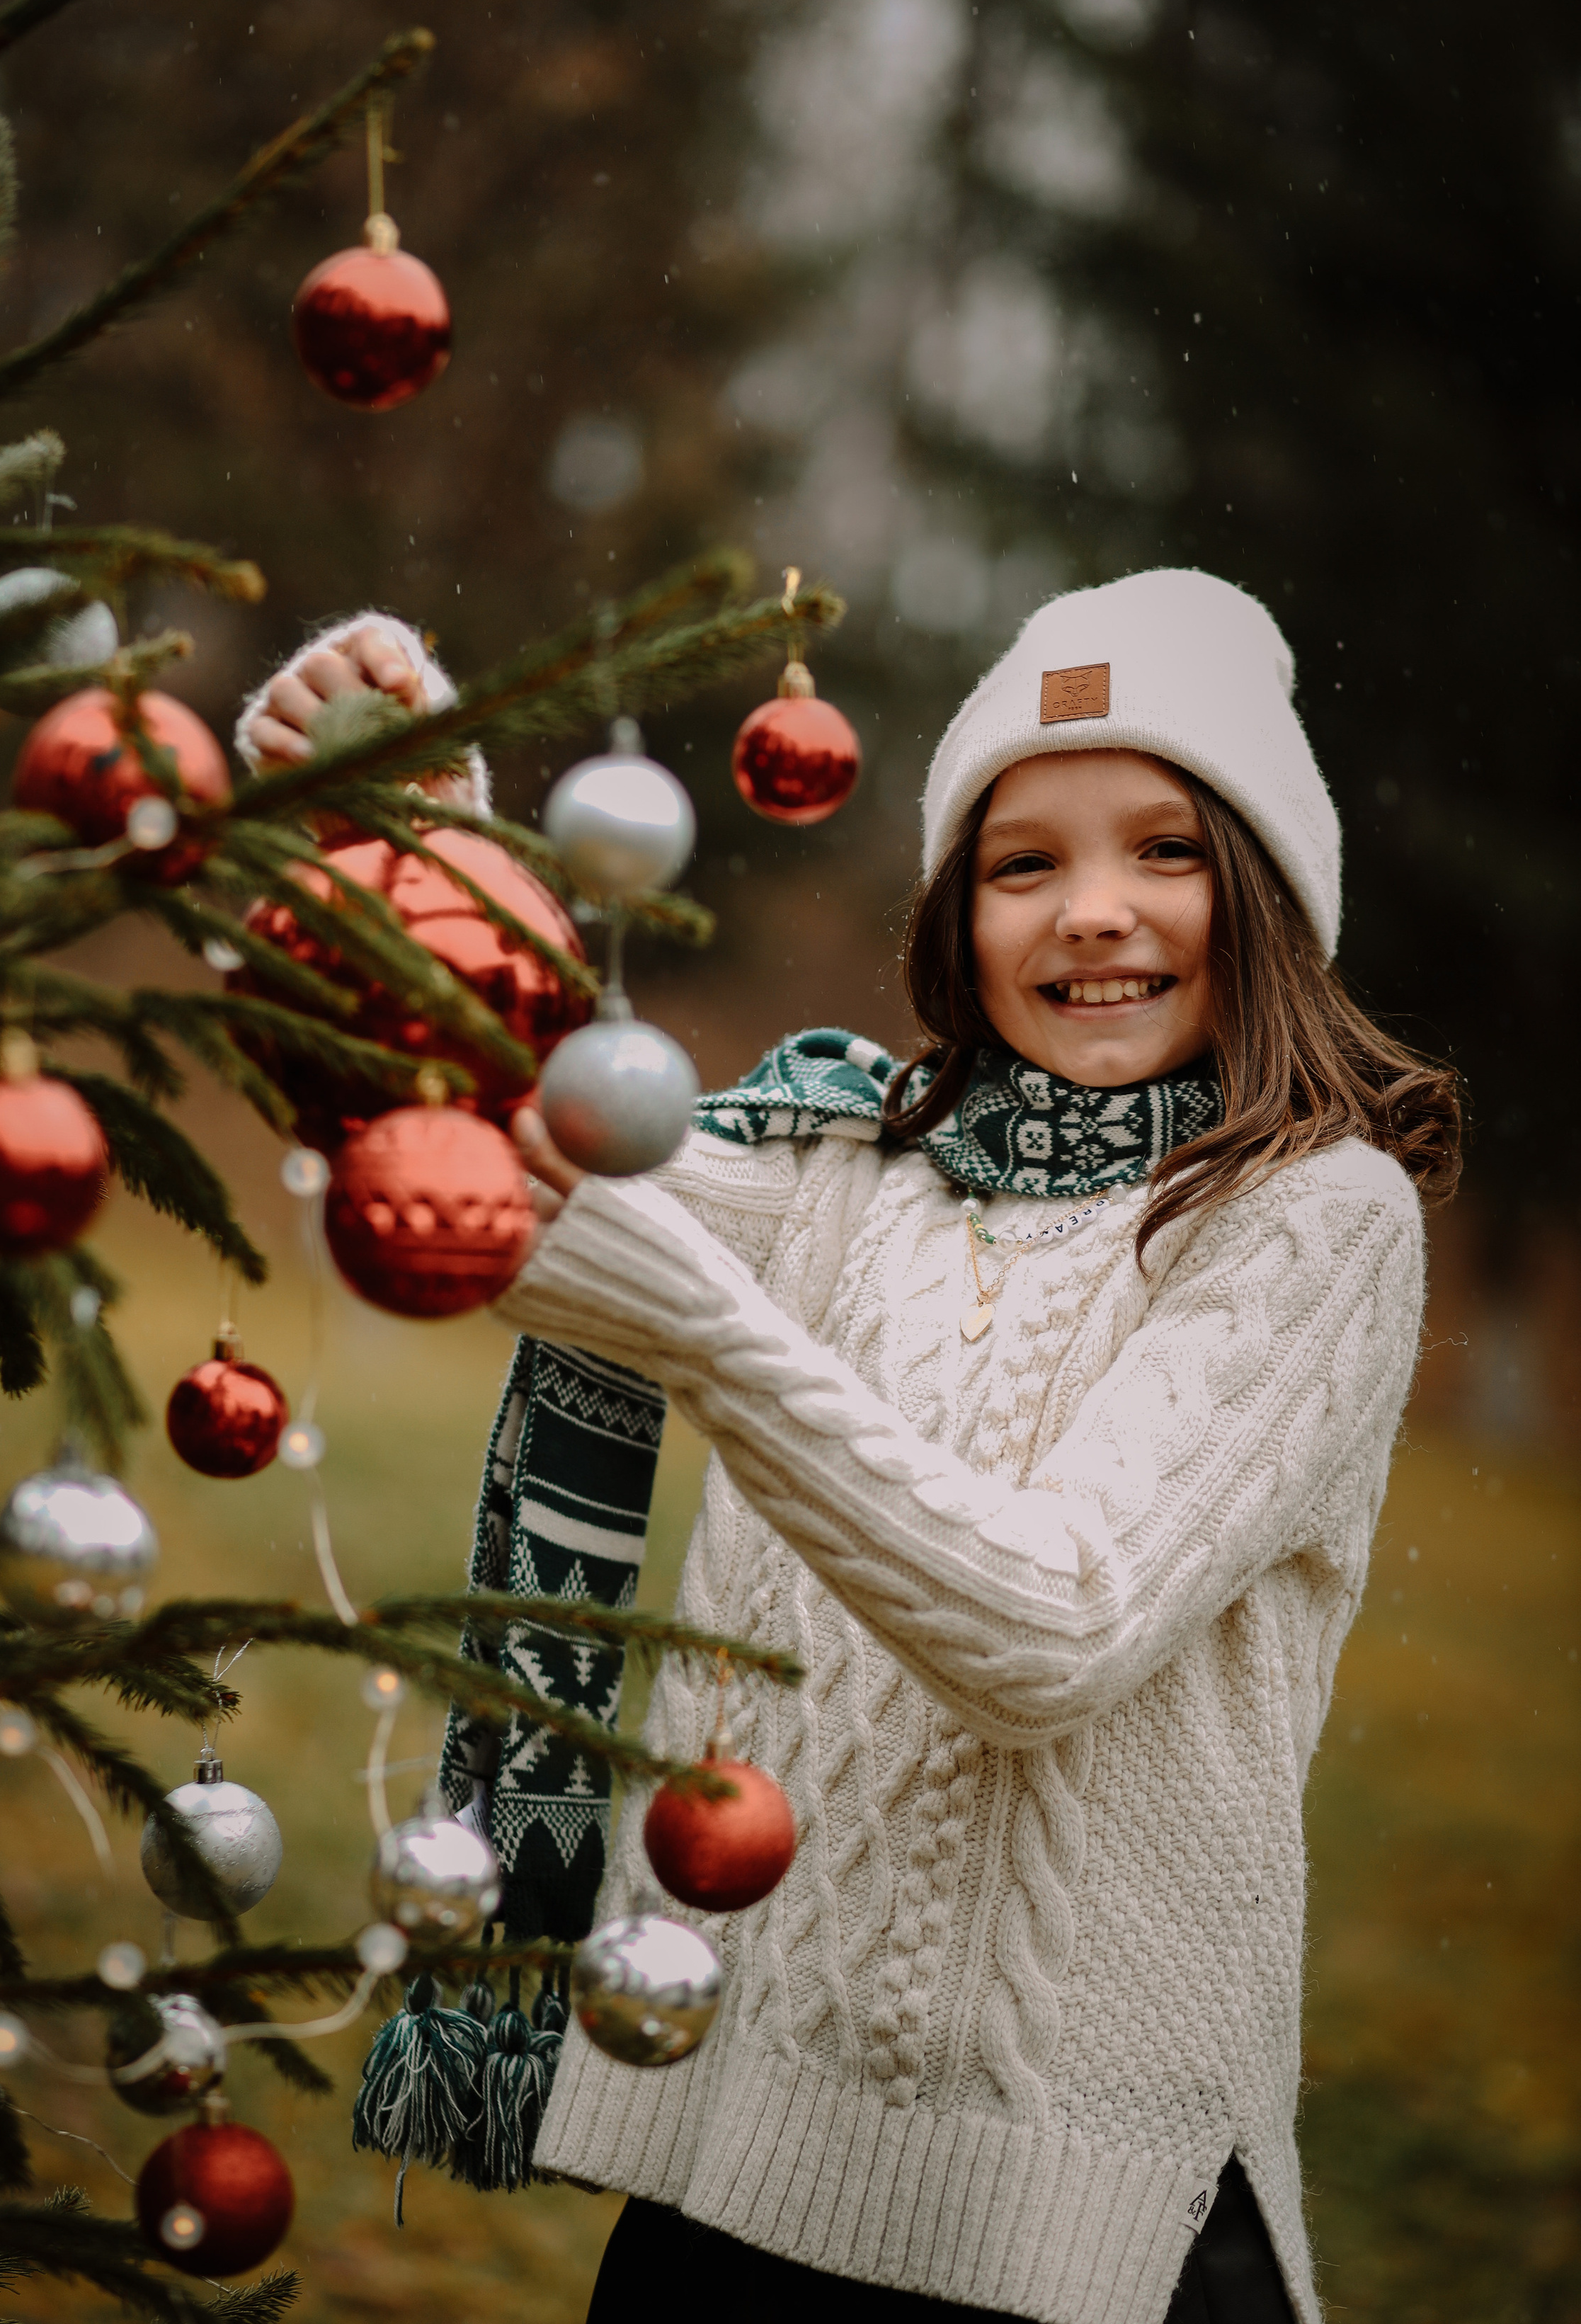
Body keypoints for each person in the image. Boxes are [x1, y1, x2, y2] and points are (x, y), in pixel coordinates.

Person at [239, 569, 1461, 2324]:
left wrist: (717, 1342)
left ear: (1264, 892)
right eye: (1021, 863)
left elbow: (1051, 1623)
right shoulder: (848, 1166)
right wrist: (417, 845)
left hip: (1076, 2231)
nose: (1090, 912)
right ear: (957, 914)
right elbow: (501, 1135)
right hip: (723, 2184)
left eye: (1164, 849)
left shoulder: (1310, 1220)